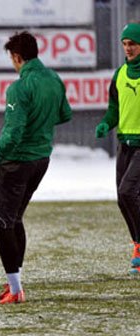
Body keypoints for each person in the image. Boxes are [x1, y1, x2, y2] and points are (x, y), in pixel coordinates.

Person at [0, 31, 72, 304]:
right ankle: (15, 283)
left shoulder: (19, 87)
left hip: (16, 162)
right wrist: (39, 124)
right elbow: (64, 114)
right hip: (41, 160)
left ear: (17, 57)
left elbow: (13, 134)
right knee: (15, 218)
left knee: (3, 222)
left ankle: (16, 289)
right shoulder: (53, 79)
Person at [95, 22, 140, 275]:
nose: (128, 48)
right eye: (125, 44)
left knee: (128, 192)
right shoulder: (120, 74)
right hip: (125, 144)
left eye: (132, 43)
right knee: (122, 200)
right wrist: (105, 123)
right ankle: (138, 245)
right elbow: (114, 108)